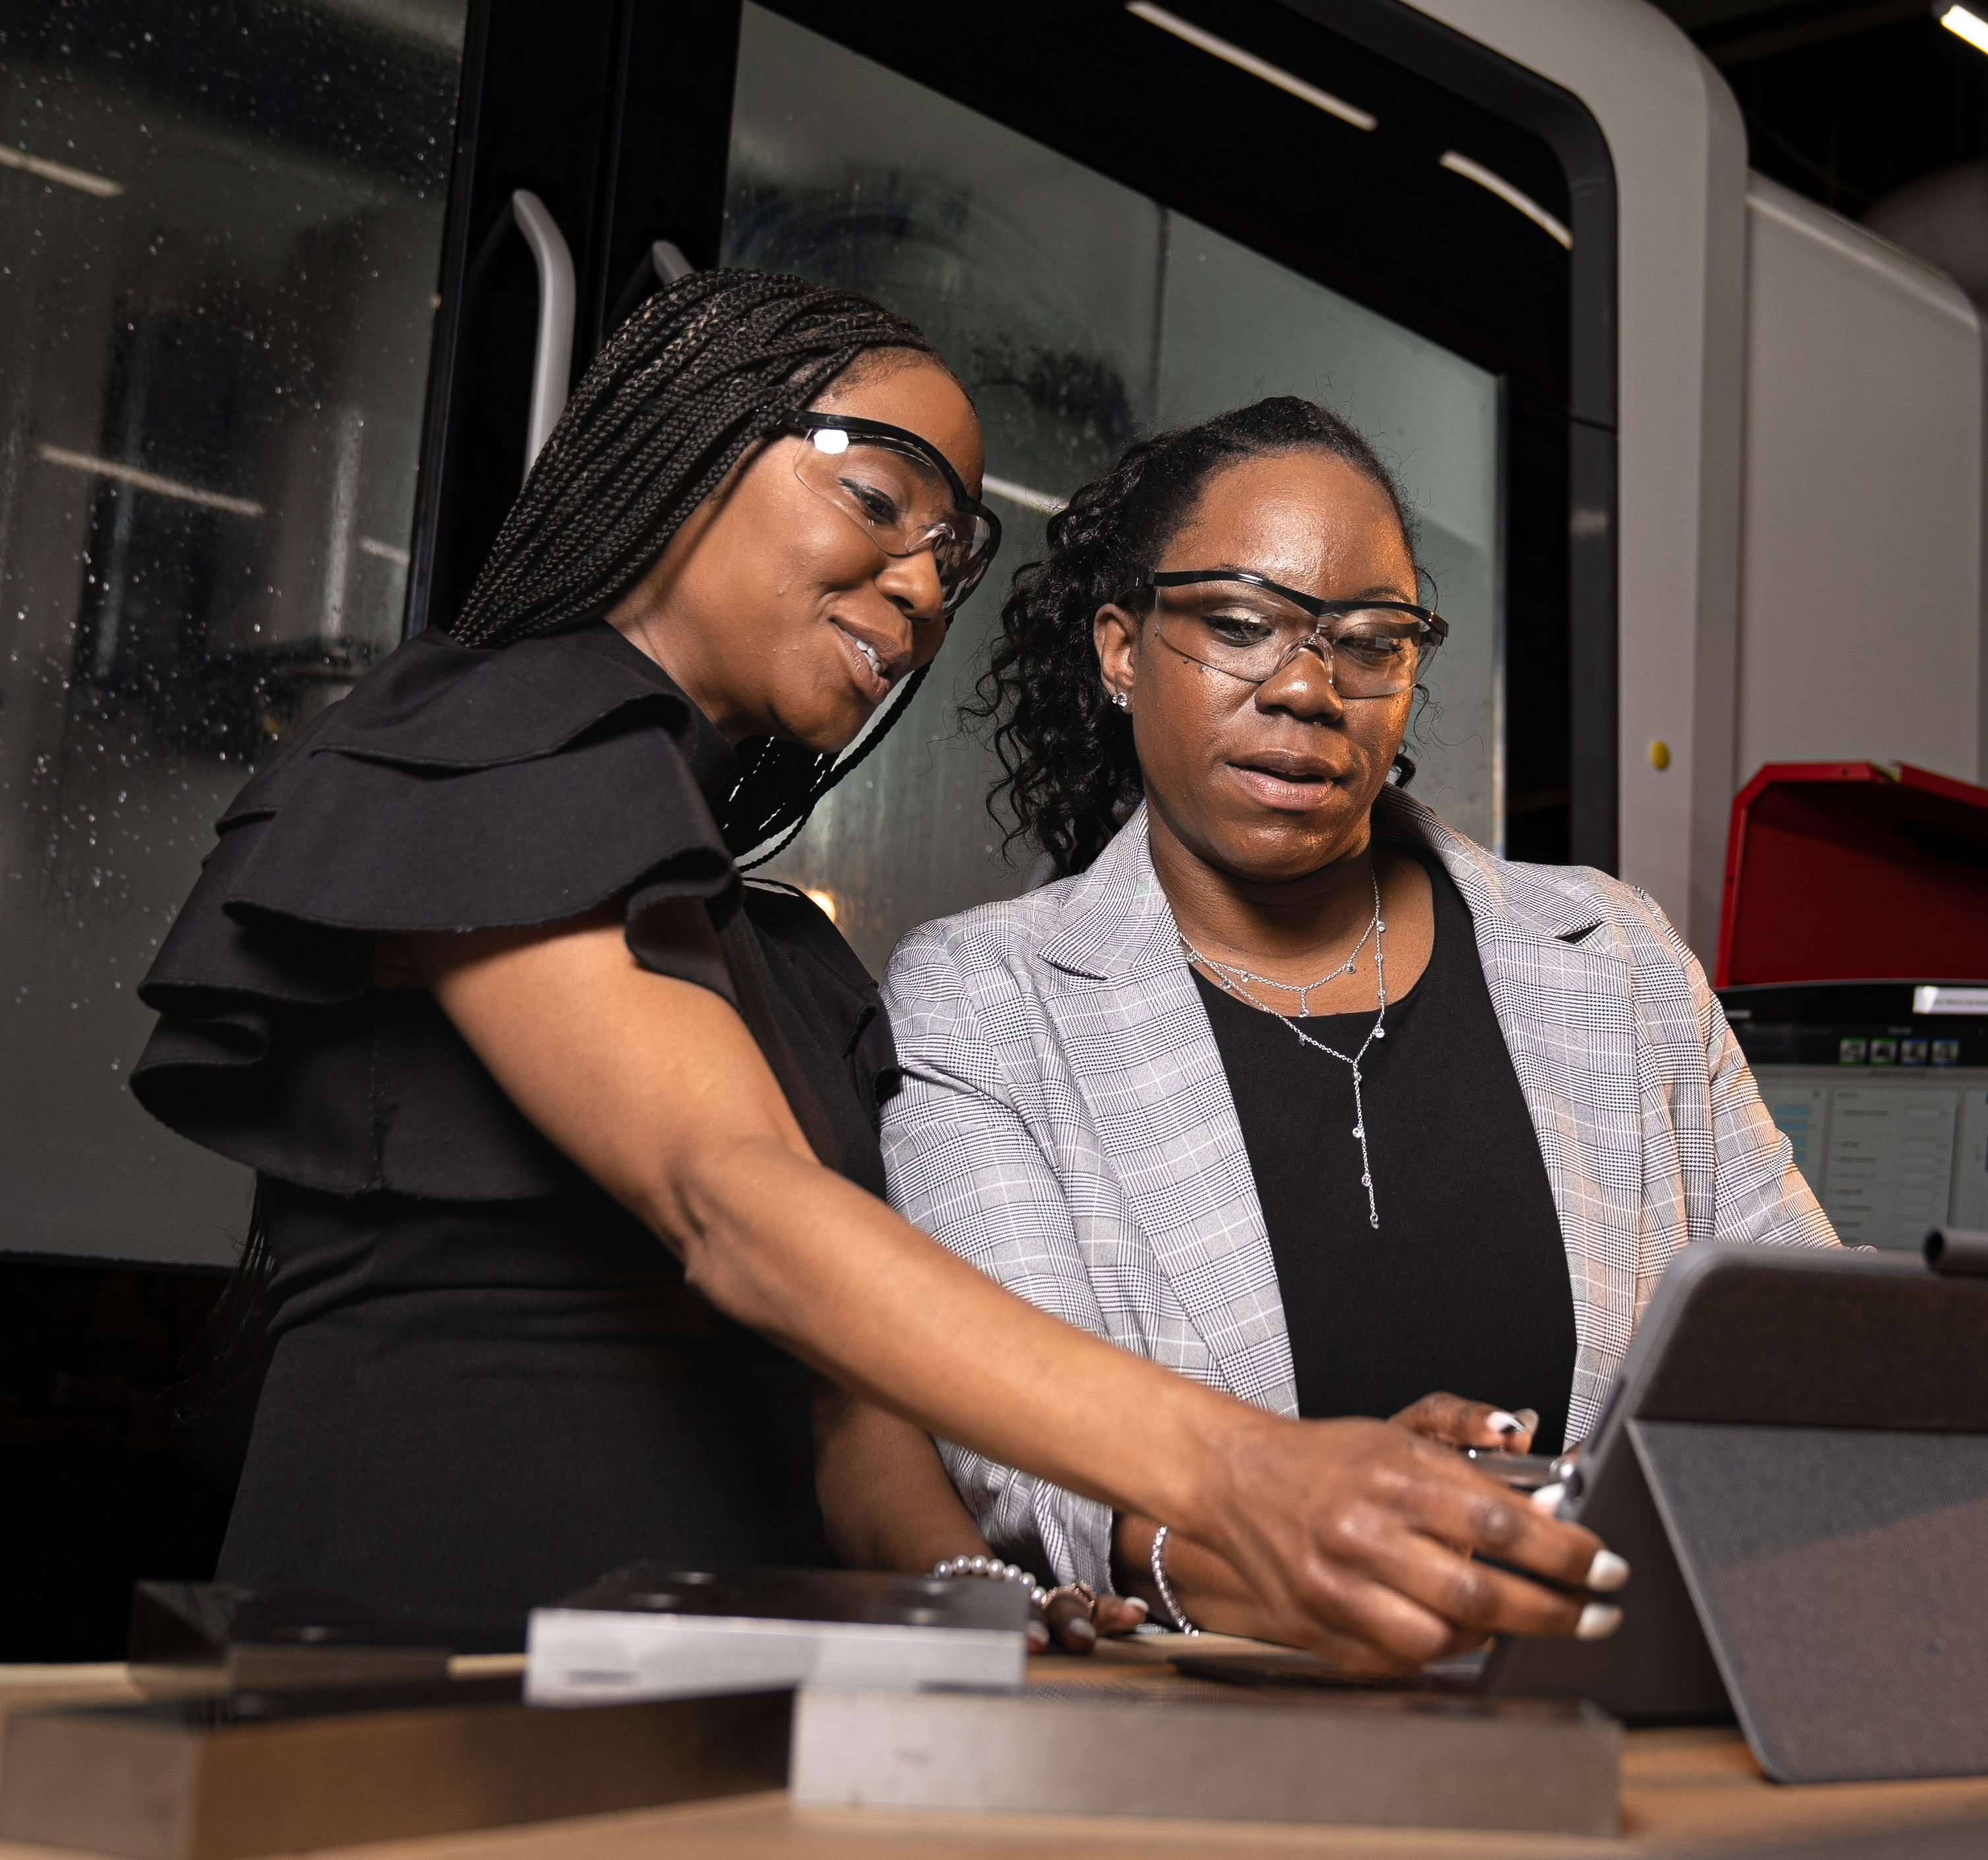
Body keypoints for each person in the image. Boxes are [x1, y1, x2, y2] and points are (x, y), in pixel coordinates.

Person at [127, 275, 1611, 1669]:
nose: (917, 582)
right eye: (875, 497)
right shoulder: (485, 746)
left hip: (732, 1703)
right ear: (693, 446)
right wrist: (1250, 1467)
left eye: (950, 550)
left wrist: (976, 1592)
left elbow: (847, 1408)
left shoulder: (783, 954)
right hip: (422, 1669)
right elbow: (737, 1208)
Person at [882, 398, 1837, 1637]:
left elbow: (1807, 1338)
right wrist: (1319, 1535)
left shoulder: (1616, 961)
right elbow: (1028, 1458)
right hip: (1230, 1769)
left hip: (1611, 1714)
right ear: (1121, 649)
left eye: (1369, 643)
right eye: (1238, 626)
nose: (1305, 690)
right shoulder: (984, 1003)